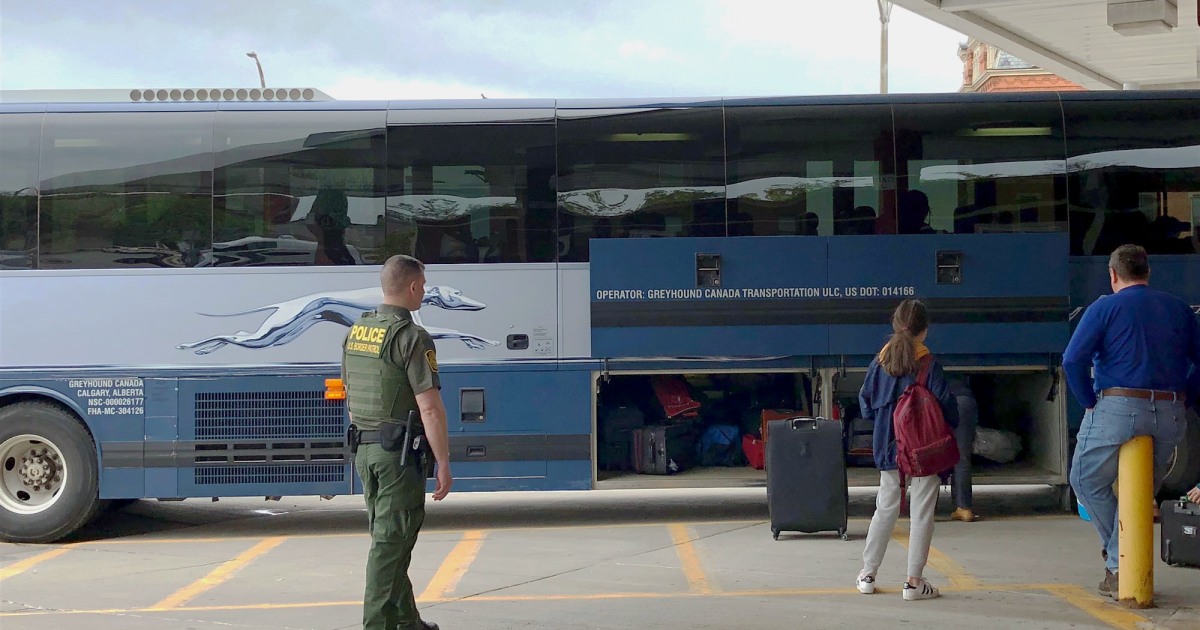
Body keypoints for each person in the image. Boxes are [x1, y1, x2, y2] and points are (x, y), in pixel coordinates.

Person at [1063, 244, 1200, 599]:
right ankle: (1120, 563)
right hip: (1171, 413)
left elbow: (1073, 360)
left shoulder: (1104, 307)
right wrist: (1186, 399)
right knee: (1140, 494)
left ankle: (1116, 562)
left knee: (1084, 478)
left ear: (1112, 275)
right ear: (1147, 272)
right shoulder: (1179, 309)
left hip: (1119, 408)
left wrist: (1089, 403)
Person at [342, 254, 453, 630]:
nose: (424, 291)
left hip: (366, 450)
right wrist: (444, 463)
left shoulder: (357, 330)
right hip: (397, 456)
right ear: (411, 287)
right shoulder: (412, 336)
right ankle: (377, 624)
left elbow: (351, 395)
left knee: (392, 537)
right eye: (422, 284)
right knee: (389, 544)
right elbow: (431, 409)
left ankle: (406, 620)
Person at [856, 299, 959, 601]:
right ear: (924, 331)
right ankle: (914, 582)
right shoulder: (928, 363)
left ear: (895, 324)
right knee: (922, 511)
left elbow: (865, 403)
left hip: (888, 445)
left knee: (885, 507)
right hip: (923, 449)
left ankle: (867, 574)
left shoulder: (880, 363)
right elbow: (949, 408)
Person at [948, 376, 978, 522]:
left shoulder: (926, 362)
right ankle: (964, 508)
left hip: (940, 403)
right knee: (962, 457)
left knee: (930, 455)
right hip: (965, 401)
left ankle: (926, 508)